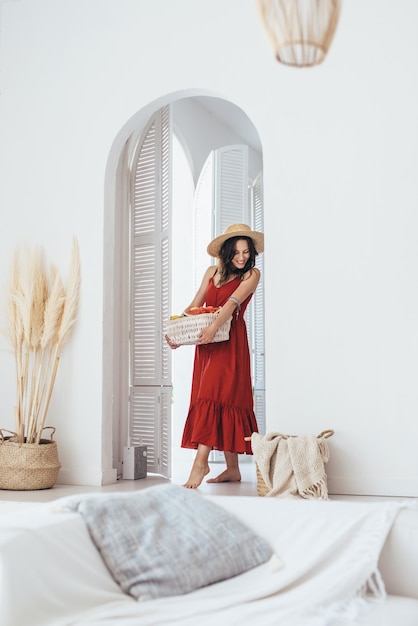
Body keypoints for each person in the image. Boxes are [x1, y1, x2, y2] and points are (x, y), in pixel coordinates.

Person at [166, 223, 264, 489]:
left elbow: (232, 303)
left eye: (246, 252)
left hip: (229, 341)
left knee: (216, 395)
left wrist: (212, 327)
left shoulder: (251, 275)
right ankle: (232, 470)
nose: (242, 257)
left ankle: (200, 463)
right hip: (208, 344)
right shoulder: (211, 272)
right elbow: (195, 305)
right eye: (236, 253)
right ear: (226, 253)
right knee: (215, 397)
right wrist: (178, 332)